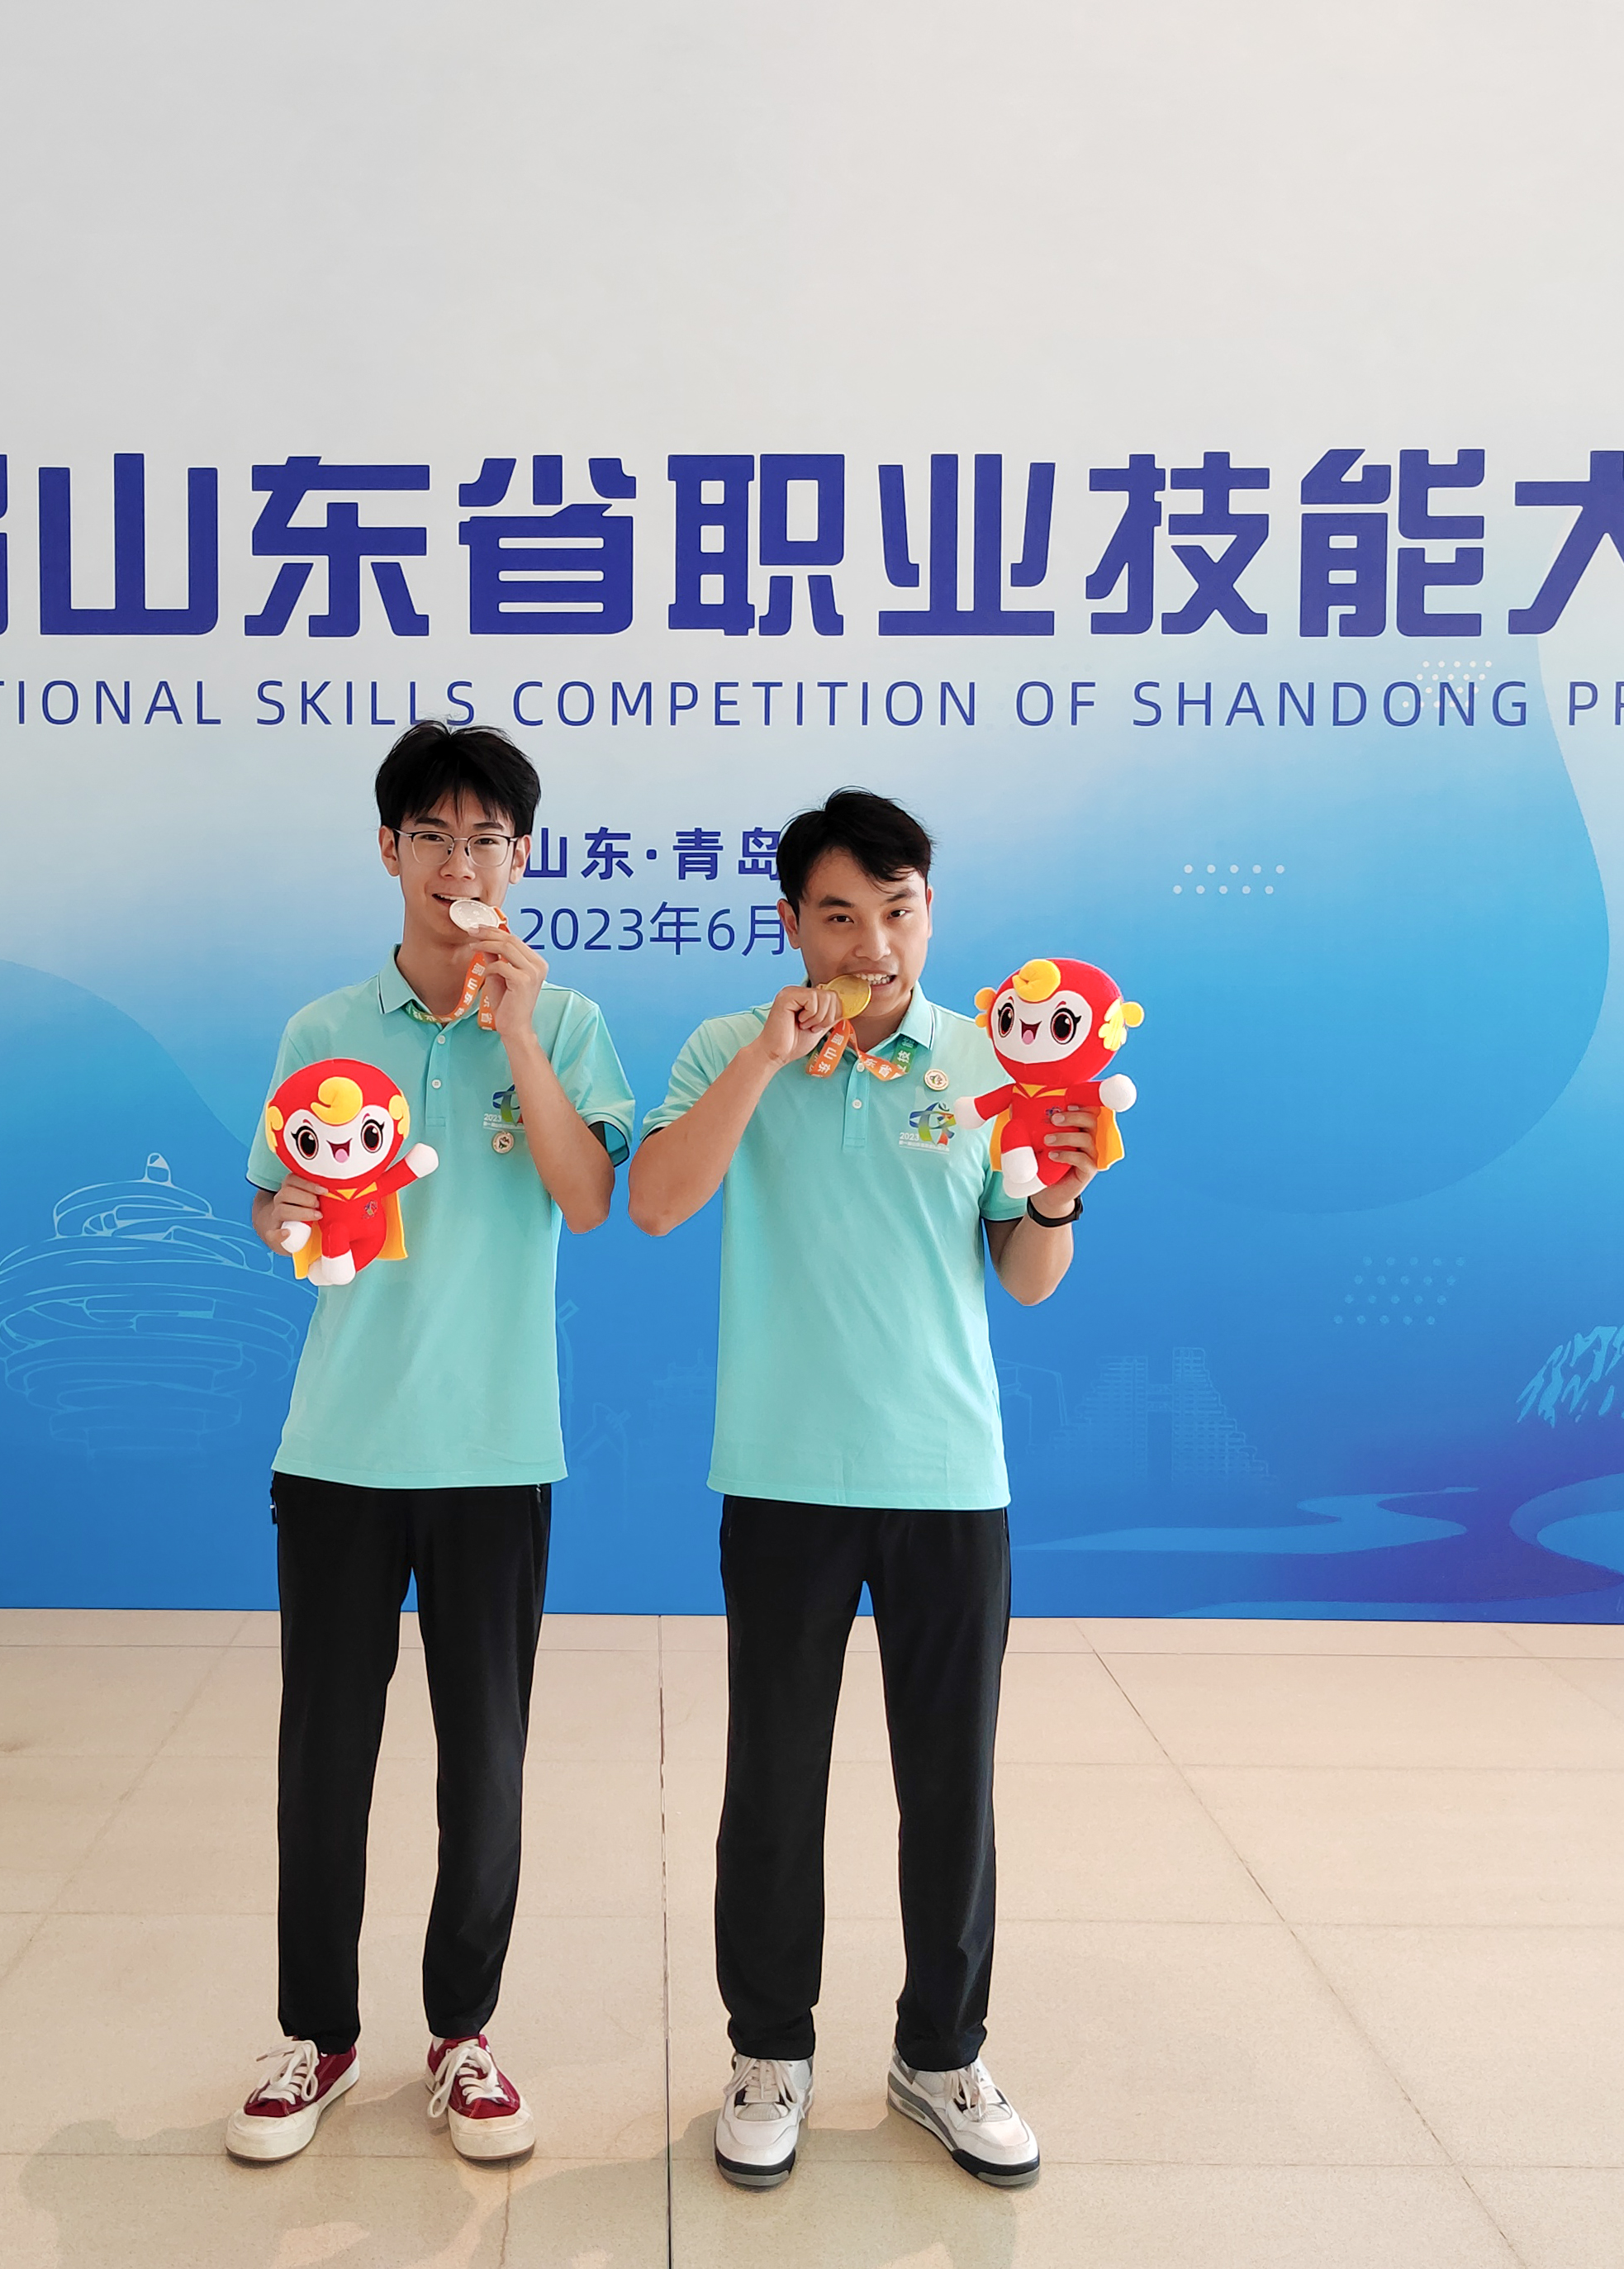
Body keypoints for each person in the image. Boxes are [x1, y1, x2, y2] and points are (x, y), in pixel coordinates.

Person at [625, 788, 1103, 2192]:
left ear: (929, 911)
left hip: (947, 1475)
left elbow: (1026, 1276)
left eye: (897, 911)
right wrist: (766, 1062)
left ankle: (940, 2054)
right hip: (781, 1475)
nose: (873, 945)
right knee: (772, 1781)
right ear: (792, 924)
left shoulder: (992, 1058)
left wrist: (1056, 1198)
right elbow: (654, 1201)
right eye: (839, 915)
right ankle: (768, 2051)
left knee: (950, 1786)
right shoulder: (729, 1047)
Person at [224, 721, 637, 2170]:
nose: (460, 864)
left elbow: (587, 1199)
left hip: (495, 1449)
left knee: (486, 1762)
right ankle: (316, 2037)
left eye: (486, 840)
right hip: (341, 1447)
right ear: (388, 850)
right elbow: (273, 1199)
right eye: (433, 836)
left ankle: (462, 2036)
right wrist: (286, 1223)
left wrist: (515, 1028)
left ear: (520, 856)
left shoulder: (566, 1023)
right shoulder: (322, 1029)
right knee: (323, 1756)